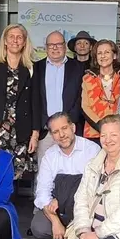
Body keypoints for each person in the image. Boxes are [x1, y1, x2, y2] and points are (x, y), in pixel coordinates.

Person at [0, 24, 37, 180]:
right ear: (4, 41)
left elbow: (36, 101)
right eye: (11, 37)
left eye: (19, 37)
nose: (15, 41)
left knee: (16, 173)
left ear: (25, 42)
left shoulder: (31, 66)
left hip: (21, 129)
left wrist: (35, 133)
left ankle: (11, 205)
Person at [31, 112, 100, 239]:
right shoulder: (50, 156)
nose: (62, 135)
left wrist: (62, 199)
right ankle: (70, 236)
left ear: (72, 128)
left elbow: (95, 187)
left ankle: (70, 237)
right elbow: (42, 191)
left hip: (85, 210)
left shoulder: (92, 150)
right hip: (60, 211)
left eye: (64, 128)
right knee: (38, 227)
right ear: (52, 136)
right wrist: (55, 220)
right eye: (56, 132)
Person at [32, 31, 84, 161]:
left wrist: (68, 122)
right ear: (46, 47)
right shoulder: (35, 68)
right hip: (45, 132)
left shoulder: (78, 67)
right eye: (51, 45)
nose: (55, 48)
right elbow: (33, 99)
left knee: (70, 172)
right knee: (45, 173)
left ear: (65, 46)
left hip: (69, 130)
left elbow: (80, 97)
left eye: (59, 44)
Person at [80, 40, 120, 142]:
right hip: (94, 133)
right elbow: (85, 106)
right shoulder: (87, 78)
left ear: (114, 55)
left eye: (107, 52)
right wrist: (101, 125)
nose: (103, 56)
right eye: (99, 53)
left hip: (118, 131)